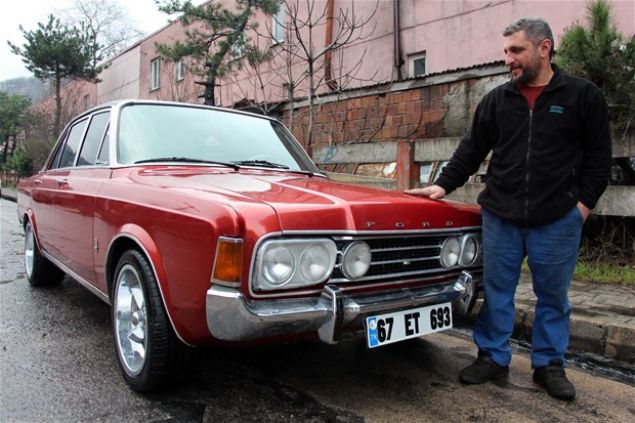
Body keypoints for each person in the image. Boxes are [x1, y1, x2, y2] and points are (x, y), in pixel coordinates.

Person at [407, 17, 611, 401]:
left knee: (553, 298)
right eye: (506, 51)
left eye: (516, 50)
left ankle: (548, 365)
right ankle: (492, 356)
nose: (508, 59)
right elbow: (471, 149)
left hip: (558, 218)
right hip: (501, 216)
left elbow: (600, 159)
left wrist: (581, 207)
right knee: (498, 291)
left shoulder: (582, 96)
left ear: (544, 48)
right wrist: (443, 184)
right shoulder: (497, 100)